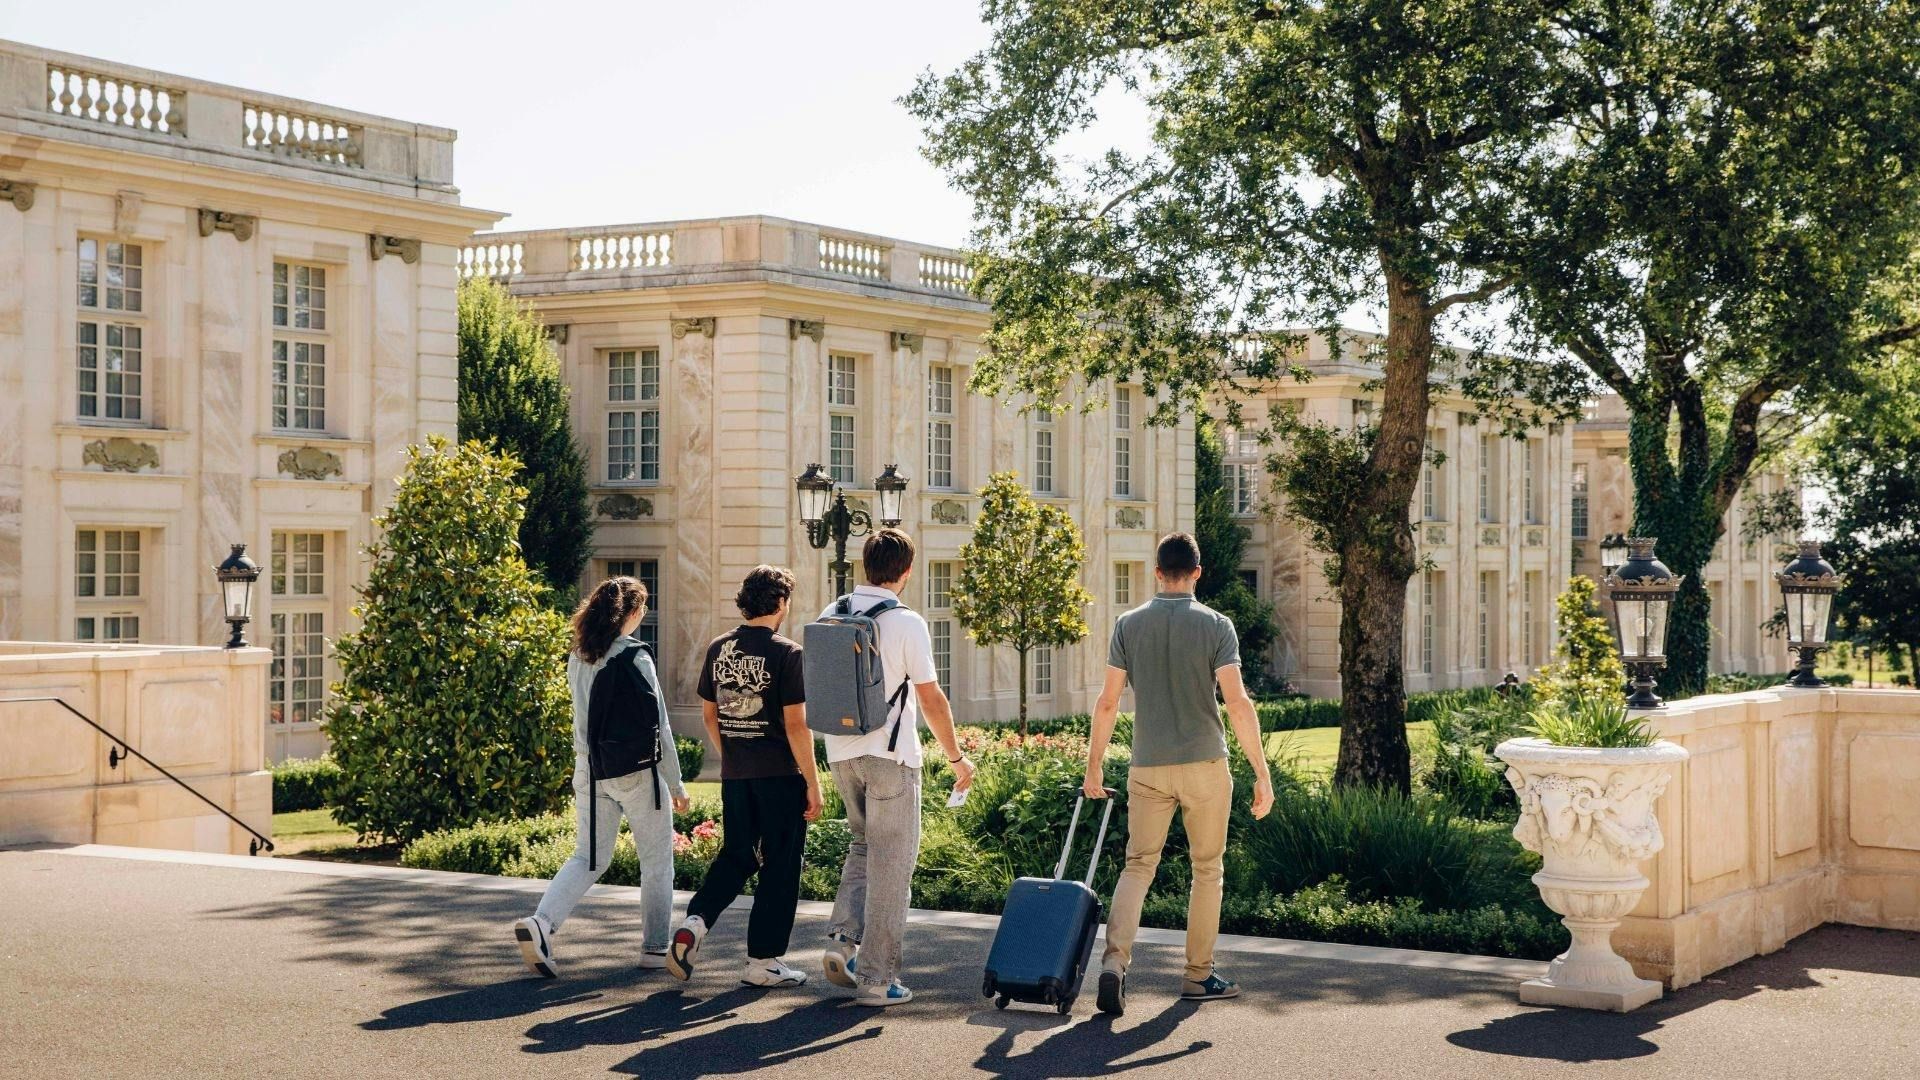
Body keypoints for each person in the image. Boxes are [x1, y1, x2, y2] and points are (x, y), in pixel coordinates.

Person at [1083, 532, 1275, 1015]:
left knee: (1137, 866)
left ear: (1156, 572)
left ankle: (1113, 964)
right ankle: (1197, 975)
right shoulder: (1217, 626)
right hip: (1205, 767)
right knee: (1206, 870)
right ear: (1197, 573)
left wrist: (1093, 766)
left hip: (1147, 765)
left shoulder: (1129, 624)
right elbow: (1236, 702)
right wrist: (1261, 771)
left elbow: (1108, 703)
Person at [820, 528, 975, 1006]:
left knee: (864, 847)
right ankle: (877, 978)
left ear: (866, 565)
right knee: (894, 864)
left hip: (841, 753)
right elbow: (930, 696)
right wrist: (956, 756)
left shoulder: (832, 613)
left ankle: (842, 945)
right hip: (890, 756)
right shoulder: (906, 622)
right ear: (905, 572)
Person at [515, 576, 688, 978]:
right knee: (657, 861)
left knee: (588, 857)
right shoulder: (635, 656)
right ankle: (654, 947)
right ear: (629, 613)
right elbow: (659, 725)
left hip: (589, 769)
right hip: (636, 773)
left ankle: (542, 923)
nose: (643, 616)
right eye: (642, 609)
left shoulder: (580, 655)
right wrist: (675, 783)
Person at [668, 565, 824, 987]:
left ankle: (696, 922)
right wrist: (812, 781)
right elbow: (796, 724)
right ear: (779, 602)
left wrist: (732, 756)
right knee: (780, 866)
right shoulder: (787, 653)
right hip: (779, 775)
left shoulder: (719, 648)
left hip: (736, 776)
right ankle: (763, 963)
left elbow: (708, 713)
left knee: (737, 855)